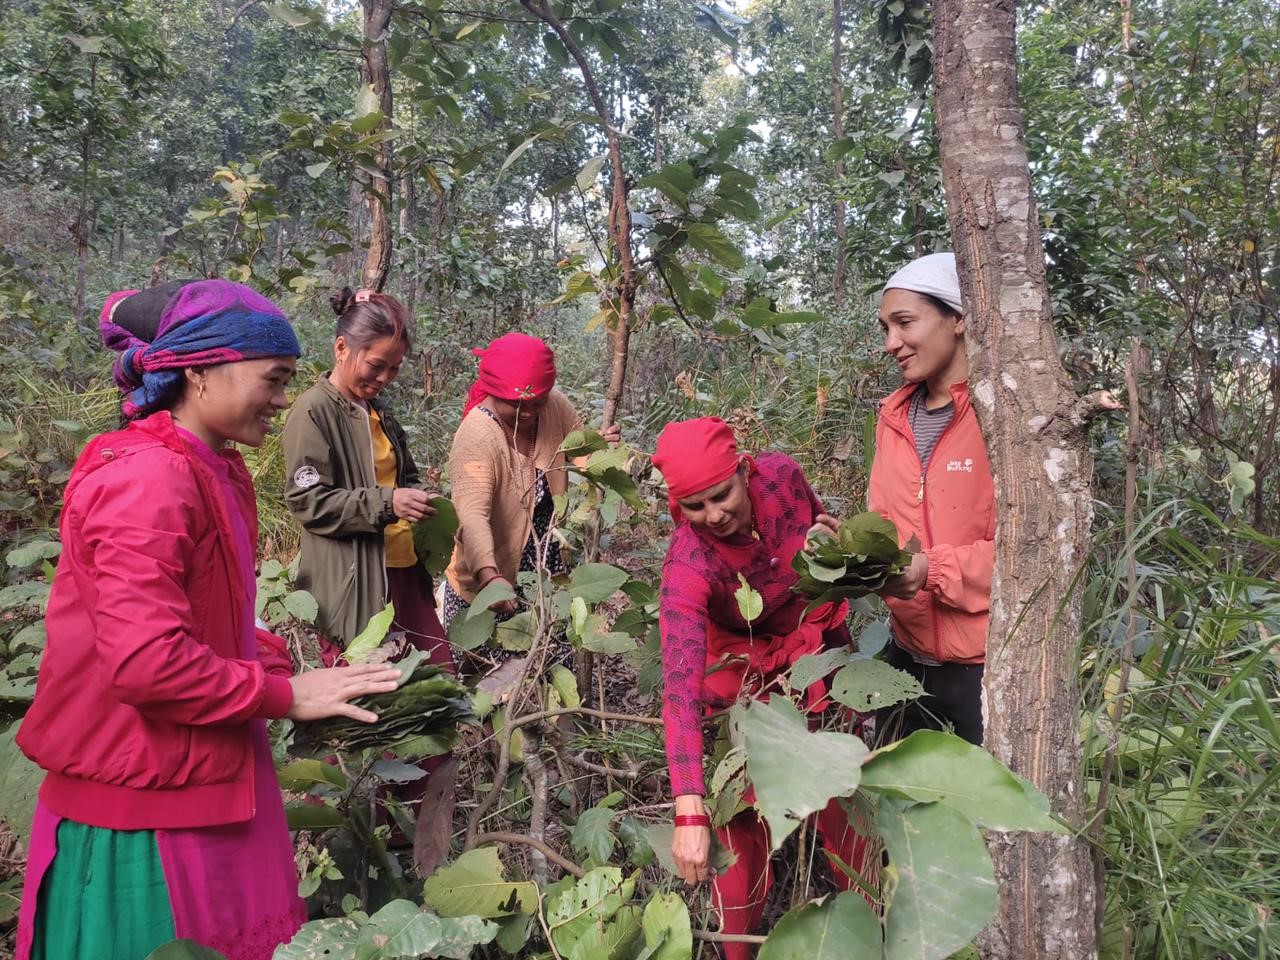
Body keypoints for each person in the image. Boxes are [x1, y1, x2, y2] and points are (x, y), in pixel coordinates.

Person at [14, 279, 402, 960]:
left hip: (205, 772)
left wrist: (280, 661)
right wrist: (281, 694)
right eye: (274, 378)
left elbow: (208, 612)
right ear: (197, 372)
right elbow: (146, 663)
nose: (283, 399)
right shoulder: (148, 479)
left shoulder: (212, 467)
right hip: (143, 799)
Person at [652, 417, 874, 958]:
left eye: (722, 495)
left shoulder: (782, 476)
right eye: (695, 507)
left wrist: (833, 542)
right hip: (737, 666)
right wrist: (688, 811)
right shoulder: (689, 561)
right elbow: (679, 690)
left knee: (843, 786)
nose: (714, 515)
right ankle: (739, 947)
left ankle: (874, 918)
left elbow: (824, 537)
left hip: (808, 643)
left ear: (744, 469)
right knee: (741, 813)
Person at [283, 287, 453, 842]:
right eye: (376, 366)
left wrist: (414, 498)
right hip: (354, 585)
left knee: (431, 684)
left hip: (400, 573)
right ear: (341, 348)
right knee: (363, 700)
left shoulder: (376, 410)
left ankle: (412, 824)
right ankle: (344, 828)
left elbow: (392, 479)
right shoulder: (314, 410)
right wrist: (386, 504)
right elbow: (308, 502)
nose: (383, 379)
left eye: (393, 370)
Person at [869, 252, 995, 746]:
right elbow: (885, 520)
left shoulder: (1000, 419)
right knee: (891, 810)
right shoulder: (894, 417)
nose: (891, 343)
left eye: (904, 323)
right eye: (885, 327)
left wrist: (931, 570)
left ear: (958, 318)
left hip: (982, 668)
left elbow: (1030, 554)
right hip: (903, 659)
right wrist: (855, 553)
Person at [441, 332, 619, 630]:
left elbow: (581, 454)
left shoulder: (554, 407)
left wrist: (604, 450)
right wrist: (489, 576)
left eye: (537, 402)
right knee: (489, 674)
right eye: (517, 404)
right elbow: (472, 515)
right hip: (485, 583)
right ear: (494, 392)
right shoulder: (477, 435)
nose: (529, 413)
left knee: (547, 664)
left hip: (544, 574)